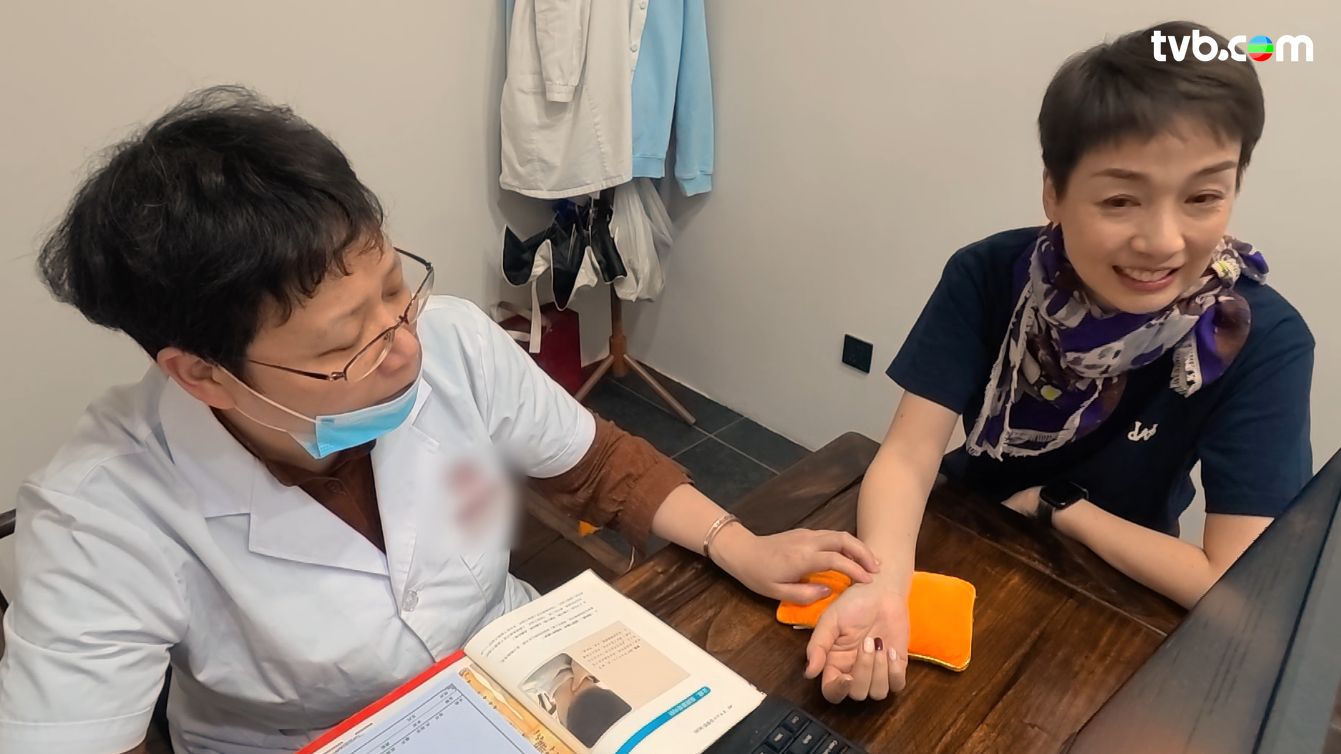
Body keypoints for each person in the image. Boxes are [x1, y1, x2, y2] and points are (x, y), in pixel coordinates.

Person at [0, 87, 881, 754]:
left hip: (527, 676)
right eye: (343, 344)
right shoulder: (98, 514)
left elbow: (597, 465)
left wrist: (738, 545)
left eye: (395, 288)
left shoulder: (452, 338)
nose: (403, 347)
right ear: (202, 374)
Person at [804, 20, 1314, 704]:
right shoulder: (990, 273)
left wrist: (1060, 508)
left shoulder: (1256, 338)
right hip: (966, 525)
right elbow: (908, 453)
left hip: (1118, 582)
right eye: (1120, 200)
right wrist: (886, 584)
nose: (1162, 241)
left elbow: (1239, 582)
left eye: (1202, 197)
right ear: (1054, 192)